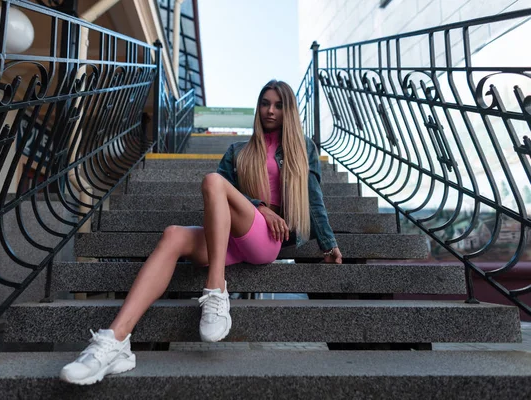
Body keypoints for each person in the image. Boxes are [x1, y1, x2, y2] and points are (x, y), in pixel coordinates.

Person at [59, 80, 342, 385]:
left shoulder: (304, 149)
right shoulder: (238, 151)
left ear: (289, 111)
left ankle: (216, 290)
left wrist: (328, 244)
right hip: (232, 237)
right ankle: (115, 342)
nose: (270, 110)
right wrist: (259, 205)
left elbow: (315, 200)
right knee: (173, 235)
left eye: (278, 105)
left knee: (212, 181)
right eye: (264, 103)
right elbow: (219, 197)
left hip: (268, 239)